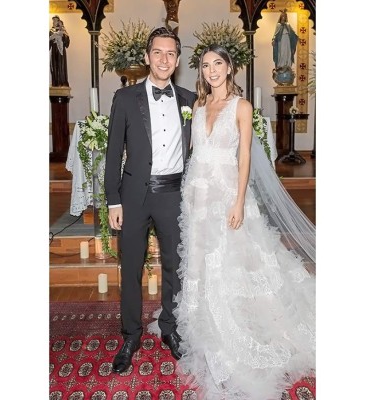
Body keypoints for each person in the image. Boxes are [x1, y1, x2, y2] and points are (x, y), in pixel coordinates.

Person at [170, 44, 316, 399]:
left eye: (218, 63)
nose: (212, 70)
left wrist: (238, 201)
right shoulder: (198, 106)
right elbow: (193, 152)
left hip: (226, 195)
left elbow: (245, 155)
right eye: (206, 65)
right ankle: (202, 320)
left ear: (229, 67)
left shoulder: (242, 106)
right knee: (199, 259)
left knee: (233, 260)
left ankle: (240, 323)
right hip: (197, 195)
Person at [104, 27, 197, 374]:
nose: (163, 59)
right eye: (157, 52)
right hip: (133, 197)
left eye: (170, 53)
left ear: (177, 60)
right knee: (130, 269)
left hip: (174, 195)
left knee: (175, 266)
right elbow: (114, 152)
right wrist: (113, 200)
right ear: (146, 57)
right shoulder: (125, 98)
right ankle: (130, 335)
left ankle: (170, 328)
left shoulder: (190, 100)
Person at [49, 15, 70, 87]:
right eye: (53, 21)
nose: (54, 22)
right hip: (54, 50)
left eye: (55, 20)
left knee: (61, 65)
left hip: (61, 51)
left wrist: (63, 36)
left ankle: (62, 82)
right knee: (54, 65)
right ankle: (55, 83)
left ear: (58, 21)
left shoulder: (63, 30)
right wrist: (52, 40)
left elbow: (67, 42)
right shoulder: (51, 31)